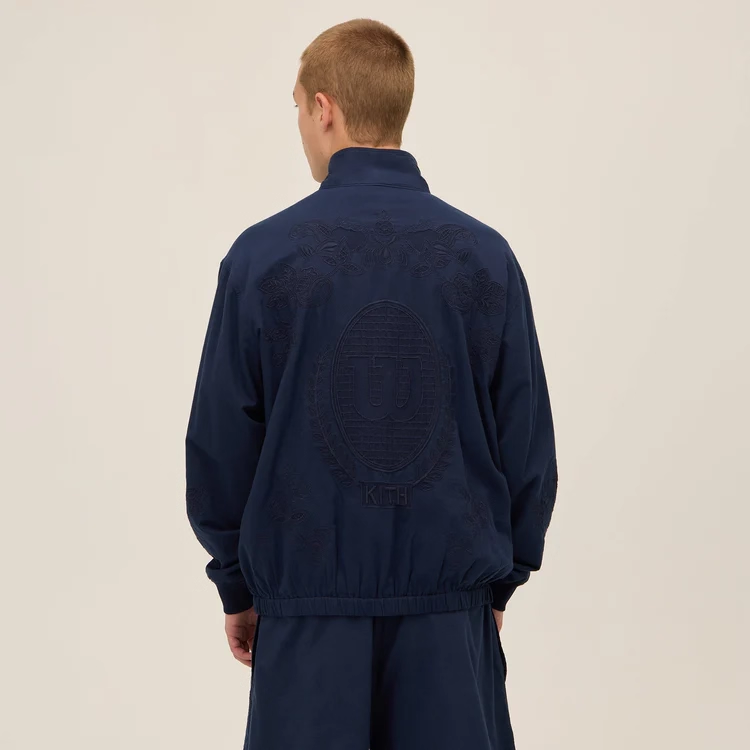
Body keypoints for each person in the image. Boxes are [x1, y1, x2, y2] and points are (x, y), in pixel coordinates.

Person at [185, 17, 558, 750]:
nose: (301, 125)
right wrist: (500, 581)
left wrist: (236, 583)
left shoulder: (262, 259)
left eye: (298, 106)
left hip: (306, 622)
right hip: (449, 624)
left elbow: (221, 442)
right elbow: (527, 442)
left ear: (324, 108)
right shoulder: (485, 259)